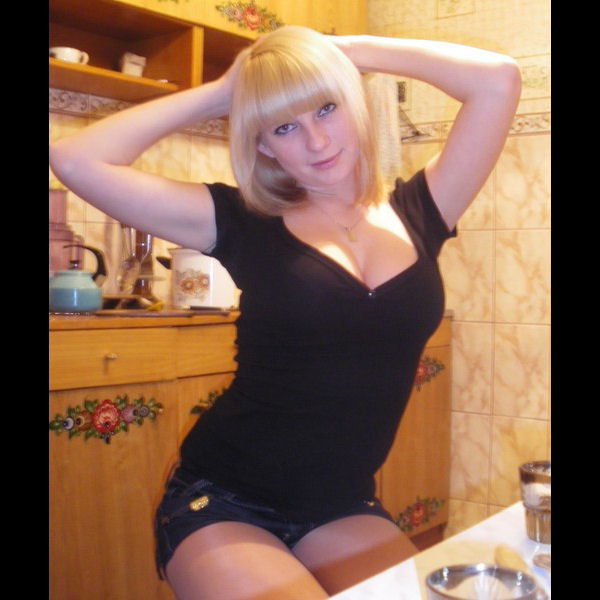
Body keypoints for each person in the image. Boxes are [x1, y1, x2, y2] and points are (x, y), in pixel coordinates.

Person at [49, 25, 521, 600]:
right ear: (264, 145)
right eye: (285, 126)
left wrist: (347, 53)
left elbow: (499, 80)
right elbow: (73, 158)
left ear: (354, 101)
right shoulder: (240, 221)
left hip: (342, 506)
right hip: (225, 502)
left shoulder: (423, 208)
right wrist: (228, 91)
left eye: (326, 108)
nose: (317, 141)